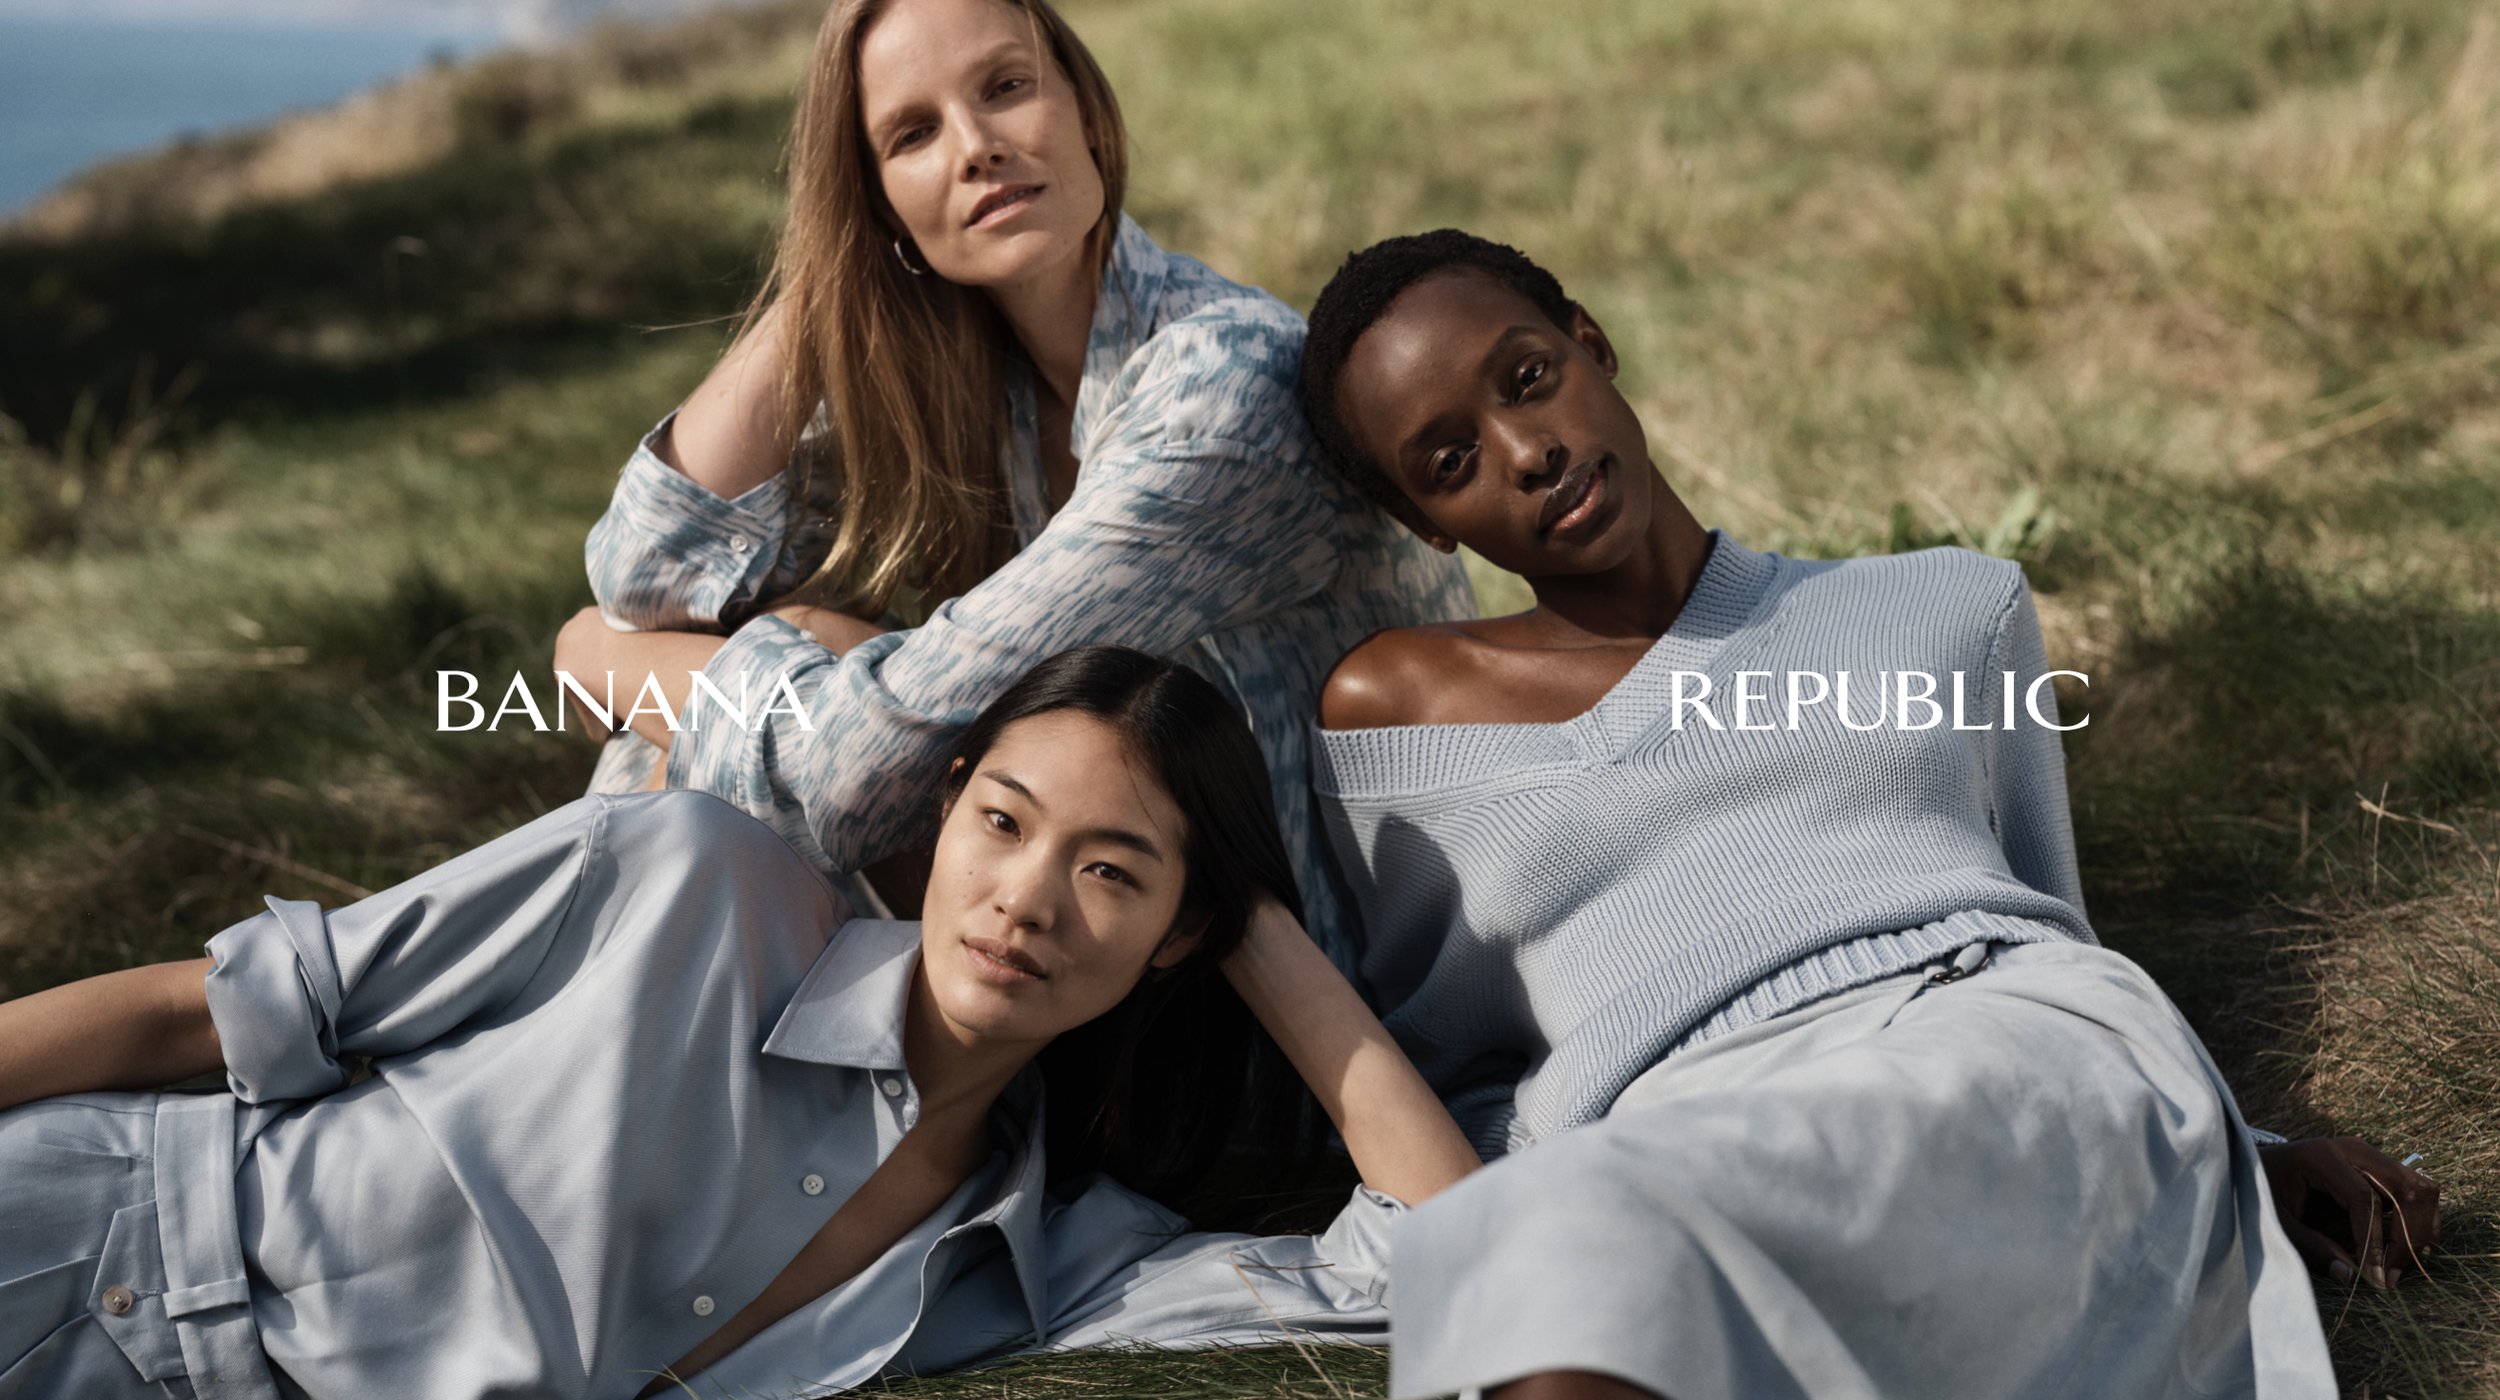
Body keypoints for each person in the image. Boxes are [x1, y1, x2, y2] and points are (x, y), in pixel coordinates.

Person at [1291, 230, 2440, 1400]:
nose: (1525, 450)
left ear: (1592, 343)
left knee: (1589, 1248)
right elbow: (1451, 1057)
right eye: (1448, 459)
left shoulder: (1945, 603)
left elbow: (2055, 935)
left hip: (1984, 1040)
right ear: (1429, 527)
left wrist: (2242, 1151)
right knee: (1563, 1250)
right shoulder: (1400, 710)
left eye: (1528, 376)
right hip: (1671, 1130)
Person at [0, 645, 1478, 1400]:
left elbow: (1438, 1248)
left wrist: (1258, 932)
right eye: (1005, 821)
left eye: (1111, 874)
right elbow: (195, 1014)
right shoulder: (690, 880)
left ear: (1181, 935)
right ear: (950, 803)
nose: (1027, 900)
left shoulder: (1028, 1255)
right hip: (100, 1256)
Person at [553, 0, 1471, 970]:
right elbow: (650, 574)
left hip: (1326, 991)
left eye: (1006, 88)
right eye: (912, 135)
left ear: (1087, 109)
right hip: (1129, 939)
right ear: (877, 203)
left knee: (744, 712)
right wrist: (832, 274)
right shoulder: (981, 384)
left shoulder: (1221, 395)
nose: (976, 147)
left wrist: (596, 656)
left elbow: (852, 776)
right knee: (755, 696)